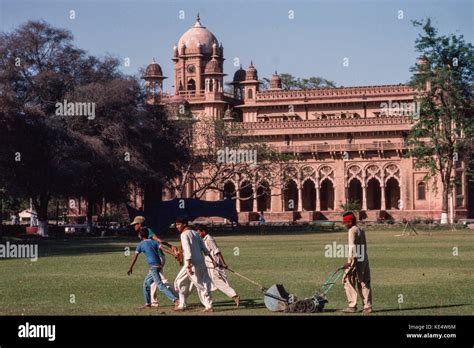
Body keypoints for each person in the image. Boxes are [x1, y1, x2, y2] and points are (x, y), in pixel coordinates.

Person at [129, 216, 177, 307]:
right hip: (157, 260)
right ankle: (151, 302)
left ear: (140, 224)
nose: (134, 226)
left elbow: (159, 240)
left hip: (158, 258)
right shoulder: (144, 234)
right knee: (151, 282)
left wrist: (171, 246)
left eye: (135, 224)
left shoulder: (147, 230)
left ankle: (176, 298)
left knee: (160, 282)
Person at [173, 216, 217, 312]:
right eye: (176, 224)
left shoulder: (184, 234)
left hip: (191, 263)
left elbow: (187, 250)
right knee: (181, 281)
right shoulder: (195, 233)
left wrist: (188, 264)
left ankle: (207, 306)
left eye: (178, 224)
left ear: (184, 224)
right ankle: (183, 304)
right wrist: (212, 260)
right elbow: (204, 249)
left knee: (197, 284)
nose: (177, 226)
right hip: (200, 261)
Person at [196, 225, 240, 306]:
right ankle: (232, 295)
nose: (198, 234)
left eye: (199, 233)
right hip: (209, 264)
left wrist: (223, 263)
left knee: (217, 282)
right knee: (217, 281)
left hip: (214, 264)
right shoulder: (204, 240)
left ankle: (234, 295)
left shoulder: (209, 239)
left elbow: (217, 251)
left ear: (203, 232)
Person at [341, 212, 372, 314]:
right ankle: (367, 307)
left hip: (356, 260)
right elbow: (364, 246)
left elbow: (352, 247)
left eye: (345, 223)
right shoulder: (361, 230)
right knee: (364, 282)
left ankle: (352, 305)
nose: (345, 225)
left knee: (346, 280)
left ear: (350, 221)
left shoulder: (352, 231)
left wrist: (349, 262)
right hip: (364, 258)